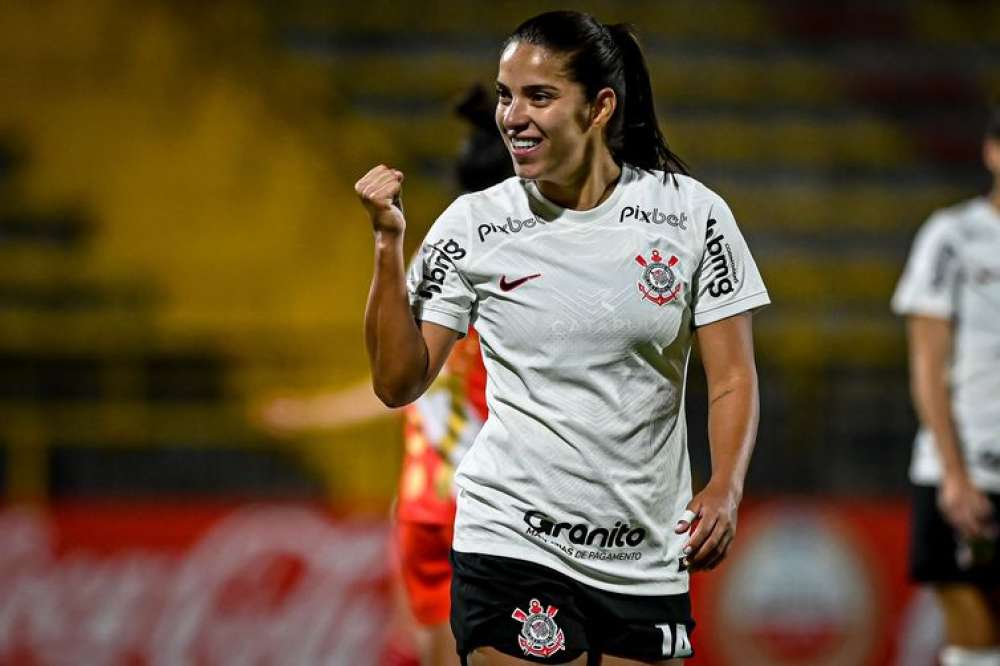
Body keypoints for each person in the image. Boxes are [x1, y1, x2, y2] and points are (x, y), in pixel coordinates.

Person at [356, 11, 769, 665]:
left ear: (600, 106)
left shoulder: (692, 217)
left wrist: (725, 486)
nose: (512, 116)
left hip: (646, 551)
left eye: (538, 96)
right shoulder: (474, 225)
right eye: (504, 94)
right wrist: (387, 244)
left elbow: (733, 377)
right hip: (511, 537)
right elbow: (396, 382)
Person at [261, 85, 508, 666]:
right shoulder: (524, 281)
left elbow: (396, 382)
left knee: (423, 647)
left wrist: (308, 412)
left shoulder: (436, 264)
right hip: (491, 504)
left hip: (425, 499)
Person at [891, 108, 1000, 666]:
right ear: (992, 152)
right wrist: (955, 476)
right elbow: (928, 366)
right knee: (976, 641)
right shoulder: (953, 238)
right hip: (965, 472)